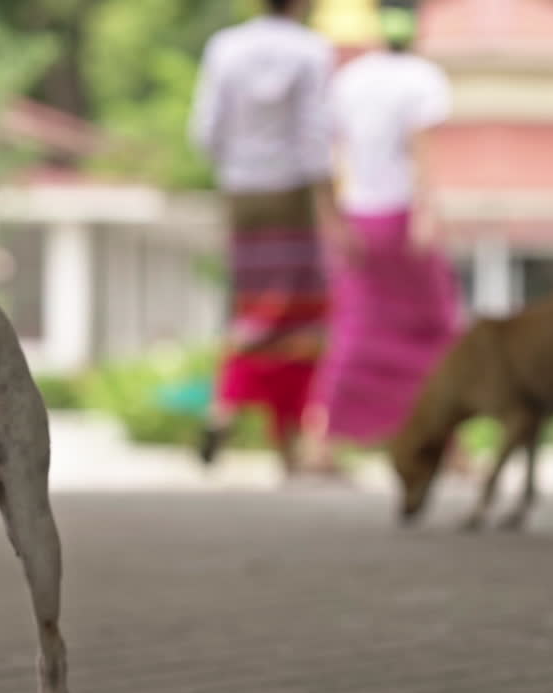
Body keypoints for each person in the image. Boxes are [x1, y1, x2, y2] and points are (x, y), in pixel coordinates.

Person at [189, 0, 355, 476]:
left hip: (242, 192)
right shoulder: (312, 50)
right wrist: (332, 209)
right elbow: (315, 134)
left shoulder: (225, 47)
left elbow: (205, 130)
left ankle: (226, 409)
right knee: (301, 319)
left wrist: (238, 167)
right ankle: (294, 442)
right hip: (293, 193)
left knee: (254, 311)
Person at [301, 0, 463, 471]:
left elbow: (327, 155)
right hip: (401, 215)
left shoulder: (349, 79)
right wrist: (426, 211)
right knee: (435, 328)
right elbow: (419, 149)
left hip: (357, 218)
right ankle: (449, 446)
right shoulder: (423, 77)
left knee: (355, 328)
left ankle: (321, 443)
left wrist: (332, 220)